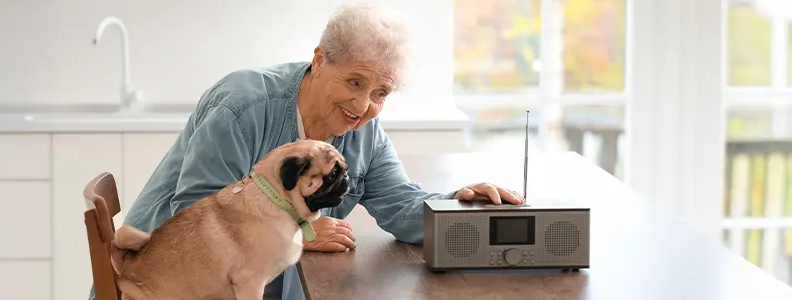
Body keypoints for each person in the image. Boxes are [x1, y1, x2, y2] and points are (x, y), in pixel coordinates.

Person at [111, 2, 523, 300]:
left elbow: (402, 208)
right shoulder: (241, 106)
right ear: (320, 60)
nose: (364, 107)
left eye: (381, 92)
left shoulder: (367, 133)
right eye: (355, 82)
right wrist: (298, 230)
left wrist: (459, 204)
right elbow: (197, 213)